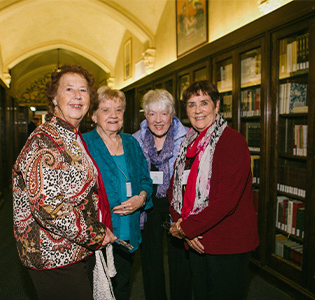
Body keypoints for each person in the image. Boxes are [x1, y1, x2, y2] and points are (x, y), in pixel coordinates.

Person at [12, 64, 116, 300]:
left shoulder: (70, 136)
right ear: (54, 99)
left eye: (84, 90)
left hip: (75, 251)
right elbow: (49, 209)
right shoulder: (43, 141)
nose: (78, 96)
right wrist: (97, 234)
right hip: (53, 258)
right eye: (69, 89)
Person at [169, 80, 259, 300]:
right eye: (191, 104)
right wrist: (181, 224)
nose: (198, 110)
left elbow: (226, 201)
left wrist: (185, 228)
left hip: (227, 243)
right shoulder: (188, 143)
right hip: (197, 240)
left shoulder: (232, 142)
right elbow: (174, 189)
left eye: (204, 102)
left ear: (216, 105)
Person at [82, 86, 153, 300]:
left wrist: (141, 198)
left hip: (127, 233)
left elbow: (145, 180)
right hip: (98, 234)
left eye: (119, 110)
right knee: (96, 290)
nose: (113, 115)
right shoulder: (83, 143)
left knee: (122, 287)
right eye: (106, 110)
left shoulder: (131, 143)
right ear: (93, 115)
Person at [133, 89, 191, 300]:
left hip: (177, 205)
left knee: (181, 261)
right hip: (147, 205)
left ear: (172, 114)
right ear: (145, 115)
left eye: (163, 113)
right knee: (150, 260)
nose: (158, 120)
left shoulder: (188, 138)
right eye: (152, 114)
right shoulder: (135, 140)